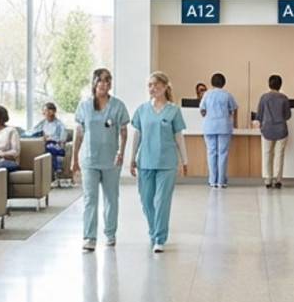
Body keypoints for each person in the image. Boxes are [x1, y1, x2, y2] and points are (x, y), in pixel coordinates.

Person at [127, 71, 189, 252]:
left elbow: (178, 137)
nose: (152, 88)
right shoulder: (142, 110)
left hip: (167, 163)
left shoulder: (173, 110)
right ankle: (153, 232)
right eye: (150, 85)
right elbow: (137, 135)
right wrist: (132, 159)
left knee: (162, 201)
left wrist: (185, 160)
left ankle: (159, 238)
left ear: (165, 86)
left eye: (156, 84)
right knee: (147, 200)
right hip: (145, 161)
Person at [74, 67, 129, 252]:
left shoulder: (118, 106)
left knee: (111, 198)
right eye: (101, 80)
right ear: (94, 82)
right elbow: (79, 133)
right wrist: (74, 159)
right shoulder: (84, 106)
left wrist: (121, 152)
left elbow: (123, 131)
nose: (104, 84)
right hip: (89, 159)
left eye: (107, 80)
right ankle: (89, 237)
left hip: (111, 160)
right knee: (90, 198)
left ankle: (110, 233)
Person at [198, 72, 238, 188]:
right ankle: (221, 181)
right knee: (222, 154)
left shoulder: (207, 95)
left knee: (211, 153)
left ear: (211, 83)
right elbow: (233, 109)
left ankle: (212, 180)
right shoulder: (227, 95)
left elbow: (202, 111)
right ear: (224, 83)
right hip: (224, 126)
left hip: (209, 127)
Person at [255, 74, 291, 189]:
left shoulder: (264, 98)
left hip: (267, 129)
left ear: (269, 84)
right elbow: (288, 115)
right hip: (281, 130)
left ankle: (268, 179)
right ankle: (278, 179)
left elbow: (259, 114)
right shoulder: (284, 98)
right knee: (279, 155)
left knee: (267, 154)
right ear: (280, 85)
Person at [33, 102, 68, 179]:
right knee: (45, 149)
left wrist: (51, 139)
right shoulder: (42, 123)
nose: (45, 114)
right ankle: (56, 170)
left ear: (54, 112)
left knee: (49, 148)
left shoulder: (60, 125)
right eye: (44, 112)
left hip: (56, 147)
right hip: (44, 145)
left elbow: (62, 140)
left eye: (48, 111)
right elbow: (33, 132)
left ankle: (56, 170)